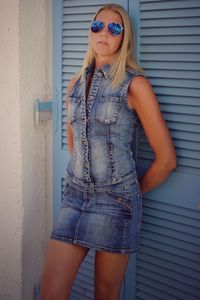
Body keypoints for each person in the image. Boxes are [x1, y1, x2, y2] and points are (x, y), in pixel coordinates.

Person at [40, 3, 177, 300]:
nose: (104, 32)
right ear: (90, 32)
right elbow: (76, 143)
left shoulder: (134, 85)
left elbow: (166, 160)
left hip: (116, 201)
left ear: (124, 37)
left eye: (114, 28)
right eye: (97, 26)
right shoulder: (74, 85)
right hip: (74, 197)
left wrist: (127, 194)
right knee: (51, 291)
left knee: (105, 293)